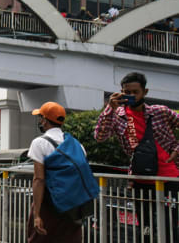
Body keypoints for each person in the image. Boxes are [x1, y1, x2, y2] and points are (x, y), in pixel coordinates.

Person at [94, 70, 179, 237]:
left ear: (145, 92)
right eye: (127, 92)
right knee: (146, 229)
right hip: (141, 179)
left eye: (135, 92)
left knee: (170, 228)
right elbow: (100, 136)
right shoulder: (117, 116)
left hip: (169, 177)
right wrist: (109, 109)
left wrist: (177, 150)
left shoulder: (160, 111)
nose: (131, 95)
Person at [27, 102, 83, 243]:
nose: (40, 121)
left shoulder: (39, 143)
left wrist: (37, 214)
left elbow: (39, 179)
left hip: (48, 204)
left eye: (41, 118)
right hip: (72, 205)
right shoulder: (77, 145)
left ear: (45, 120)